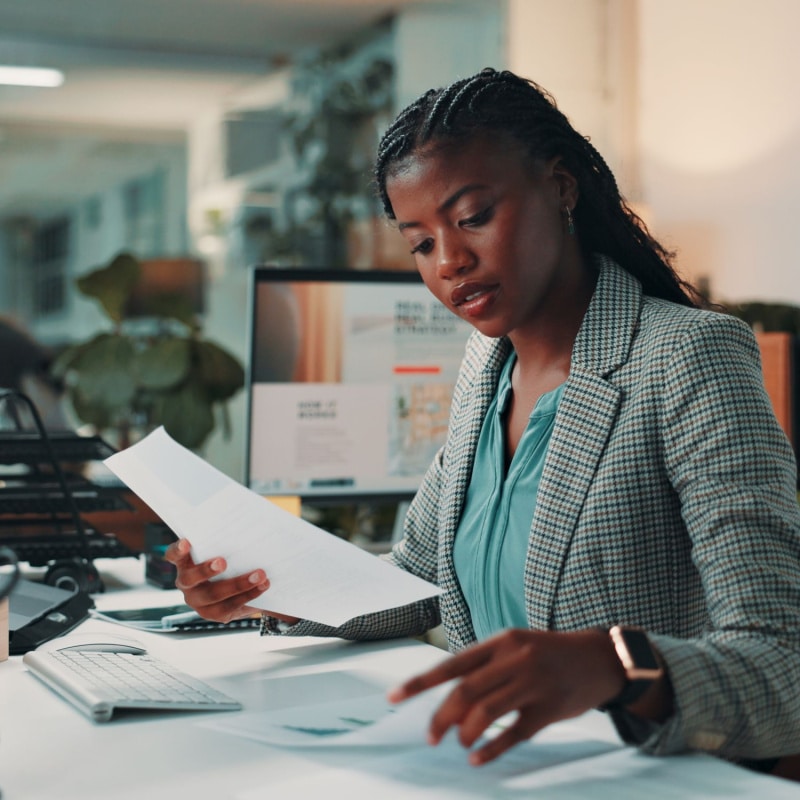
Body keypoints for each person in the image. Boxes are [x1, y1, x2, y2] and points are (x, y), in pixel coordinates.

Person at [166, 68, 800, 775]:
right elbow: (417, 579)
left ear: (561, 190)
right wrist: (266, 589)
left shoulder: (686, 356)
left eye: (472, 218)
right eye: (421, 243)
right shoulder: (485, 367)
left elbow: (783, 659)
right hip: (493, 770)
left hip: (641, 776)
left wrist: (617, 666)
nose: (451, 262)